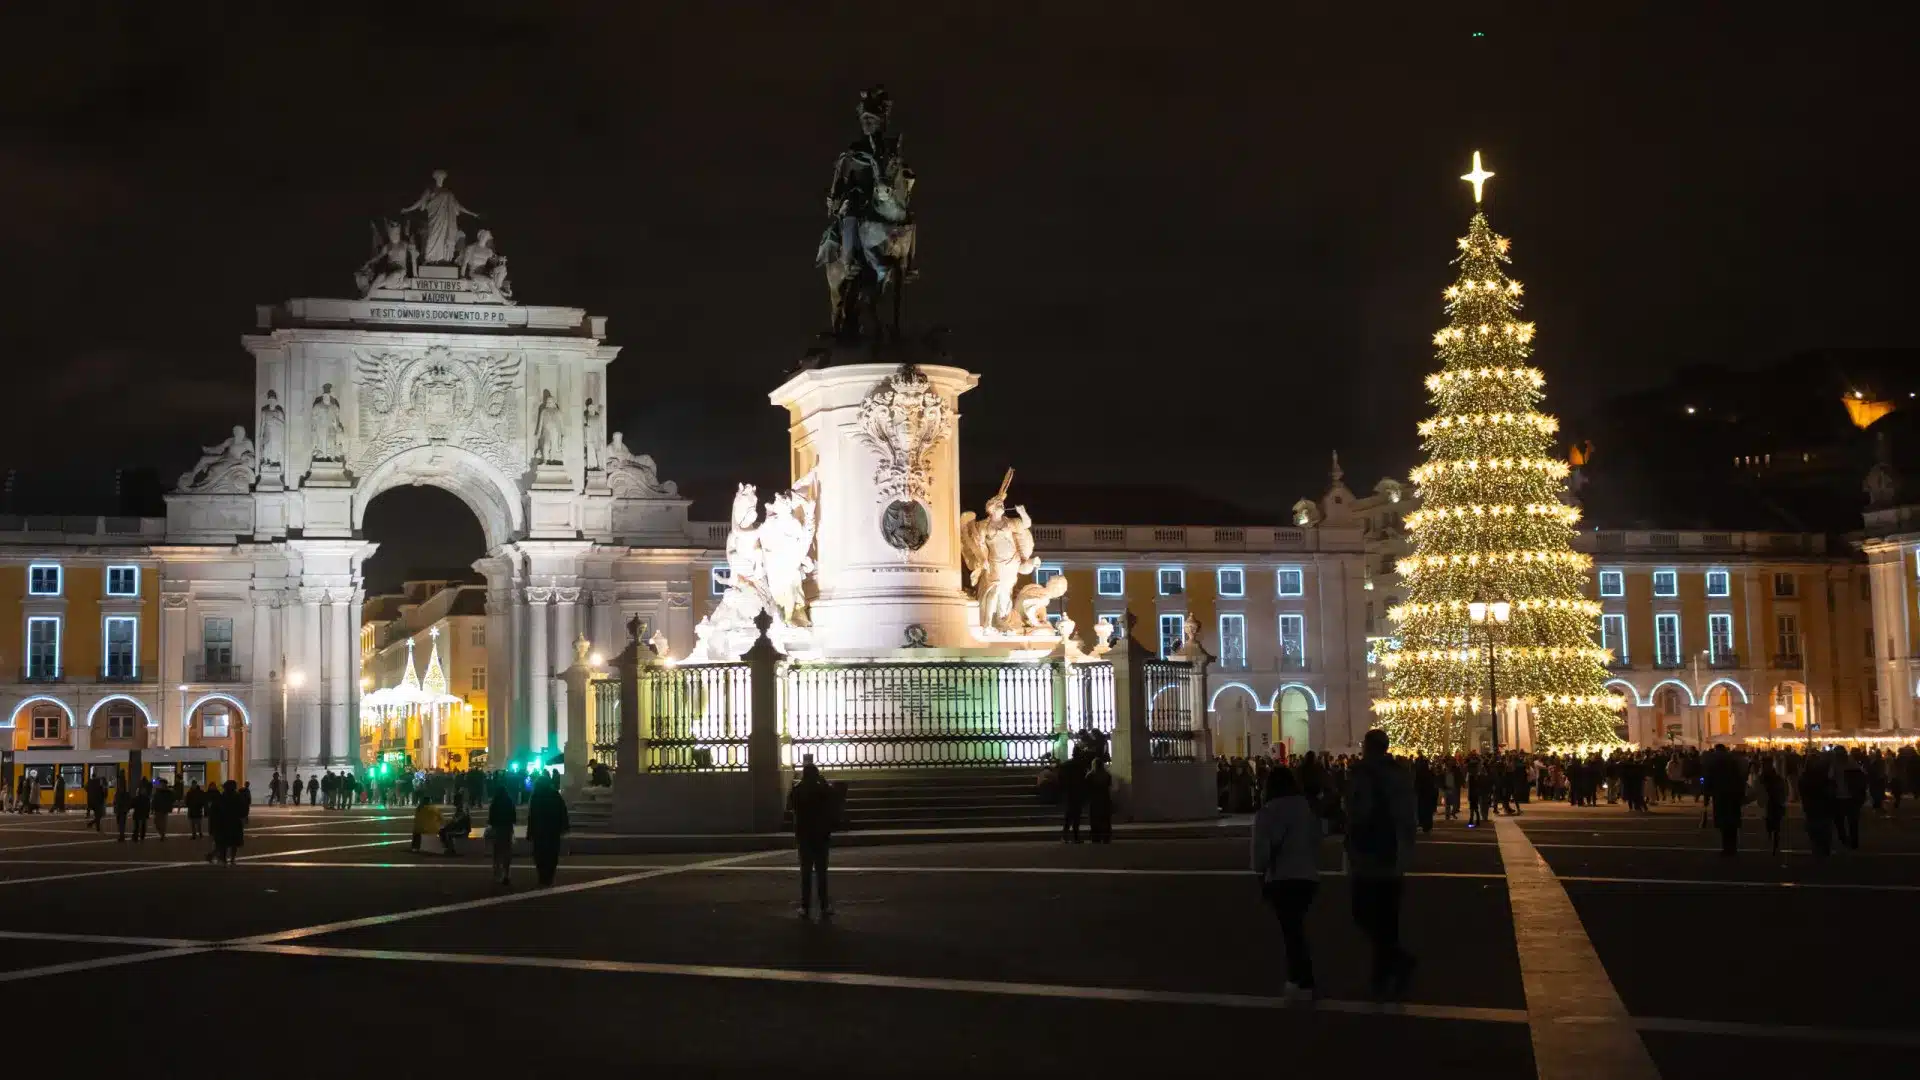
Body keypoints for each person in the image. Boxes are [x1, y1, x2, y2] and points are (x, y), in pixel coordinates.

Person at [1345, 728, 1418, 998]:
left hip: (1369, 852)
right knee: (1388, 919)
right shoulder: (1400, 773)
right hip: (1395, 852)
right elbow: (1409, 814)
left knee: (1362, 912)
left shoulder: (1362, 773)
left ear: (1368, 746)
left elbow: (1358, 812)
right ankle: (1385, 973)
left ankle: (1393, 966)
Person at [1252, 766, 1321, 999]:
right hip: (1307, 876)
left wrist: (1259, 872)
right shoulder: (1305, 808)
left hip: (1282, 876)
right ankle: (1301, 977)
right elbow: (1316, 839)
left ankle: (1301, 979)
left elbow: (1260, 852)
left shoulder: (1268, 812)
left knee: (1291, 931)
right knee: (1295, 927)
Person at [787, 759, 838, 918]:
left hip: (804, 836)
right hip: (821, 836)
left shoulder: (798, 790)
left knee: (806, 873)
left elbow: (791, 806)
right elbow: (833, 800)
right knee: (821, 872)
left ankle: (805, 906)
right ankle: (824, 905)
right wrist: (824, 783)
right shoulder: (822, 789)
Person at [526, 777, 570, 887]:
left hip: (539, 830)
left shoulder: (536, 796)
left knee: (540, 855)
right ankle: (549, 877)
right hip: (553, 830)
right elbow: (562, 812)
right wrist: (564, 827)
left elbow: (532, 816)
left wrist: (530, 832)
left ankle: (542, 877)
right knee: (552, 854)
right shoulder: (555, 795)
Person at [488, 784, 518, 886]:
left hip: (497, 829)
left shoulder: (495, 802)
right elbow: (513, 816)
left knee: (497, 853)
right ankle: (507, 874)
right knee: (507, 852)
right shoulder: (509, 801)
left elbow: (491, 818)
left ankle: (497, 874)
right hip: (507, 829)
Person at [1060, 747, 1089, 843]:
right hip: (1078, 794)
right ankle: (1076, 837)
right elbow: (1085, 781)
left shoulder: (1066, 765)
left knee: (1068, 817)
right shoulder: (1082, 766)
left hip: (1069, 793)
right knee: (1076, 817)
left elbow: (1061, 780)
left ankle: (1065, 836)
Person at [1759, 759, 1787, 856]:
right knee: (1772, 823)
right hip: (1773, 802)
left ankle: (1773, 841)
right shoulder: (1774, 777)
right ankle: (1773, 840)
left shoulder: (1766, 777)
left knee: (1773, 823)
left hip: (1773, 802)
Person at [1086, 758, 1114, 843]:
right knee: (1105, 819)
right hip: (1105, 799)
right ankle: (1106, 837)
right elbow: (1109, 785)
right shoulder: (1107, 775)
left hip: (1094, 800)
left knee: (1094, 819)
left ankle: (1095, 837)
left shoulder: (1090, 775)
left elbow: (1087, 788)